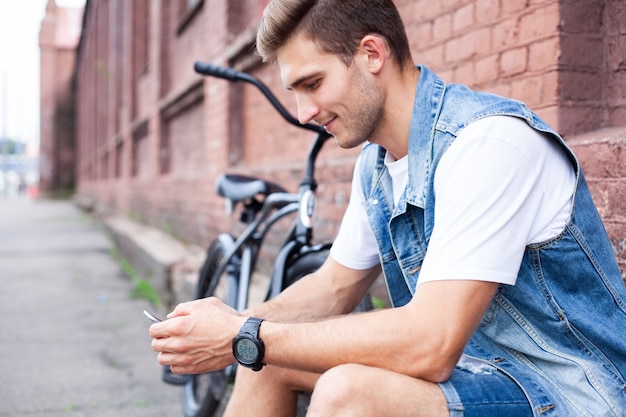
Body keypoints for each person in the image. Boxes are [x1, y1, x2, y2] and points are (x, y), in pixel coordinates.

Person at [149, 0, 626, 415]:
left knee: (346, 392)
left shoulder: (488, 144)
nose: (303, 113)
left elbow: (431, 343)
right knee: (267, 359)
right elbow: (334, 285)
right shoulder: (377, 165)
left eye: (312, 83)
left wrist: (243, 334)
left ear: (371, 54)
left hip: (575, 394)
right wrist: (234, 328)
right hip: (482, 376)